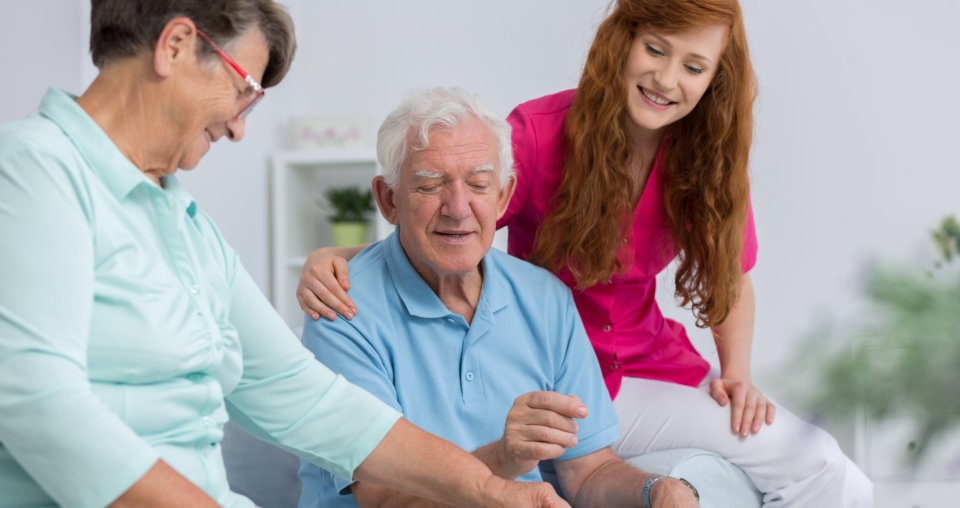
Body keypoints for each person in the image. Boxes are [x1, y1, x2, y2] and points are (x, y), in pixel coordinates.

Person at [295, 0, 873, 506]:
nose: (667, 79)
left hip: (646, 365)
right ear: (623, 41)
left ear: (715, 79)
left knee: (821, 464)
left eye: (694, 67)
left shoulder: (706, 159)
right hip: (560, 372)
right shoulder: (540, 134)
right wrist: (335, 255)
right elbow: (451, 215)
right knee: (817, 462)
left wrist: (738, 375)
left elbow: (732, 276)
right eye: (655, 49)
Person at [0, 2, 568, 507]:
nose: (240, 127)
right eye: (244, 88)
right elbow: (41, 408)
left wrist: (492, 492)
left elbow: (306, 397)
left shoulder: (187, 227)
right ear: (174, 46)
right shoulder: (30, 171)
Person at [297, 86, 700, 508]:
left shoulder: (546, 300)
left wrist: (660, 491)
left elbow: (588, 470)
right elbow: (381, 500)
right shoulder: (340, 308)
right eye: (430, 185)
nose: (458, 207)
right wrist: (504, 459)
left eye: (479, 184)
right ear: (389, 199)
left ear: (503, 196)